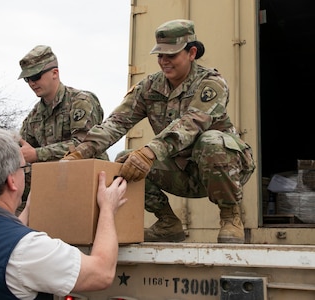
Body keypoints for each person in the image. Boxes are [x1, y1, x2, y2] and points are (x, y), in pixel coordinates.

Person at [63, 19, 256, 244]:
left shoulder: (212, 83)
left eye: (171, 55)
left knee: (211, 141)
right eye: (160, 56)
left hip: (223, 169)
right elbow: (116, 123)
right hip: (181, 172)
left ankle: (230, 216)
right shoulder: (149, 87)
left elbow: (191, 124)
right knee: (125, 160)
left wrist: (149, 152)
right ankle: (168, 223)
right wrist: (79, 153)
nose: (164, 62)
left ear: (192, 53)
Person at [0, 128, 128, 299]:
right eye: (24, 169)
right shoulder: (27, 251)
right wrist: (108, 209)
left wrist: (27, 209)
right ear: (11, 180)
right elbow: (101, 273)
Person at [18, 45, 109, 164]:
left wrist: (37, 154)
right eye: (27, 79)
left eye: (35, 76)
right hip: (54, 176)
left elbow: (86, 145)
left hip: (89, 175)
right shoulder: (34, 116)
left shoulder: (81, 102)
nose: (31, 83)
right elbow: (24, 148)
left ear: (54, 73)